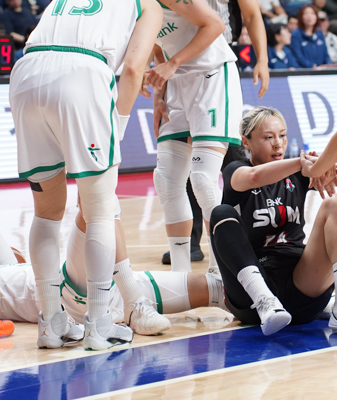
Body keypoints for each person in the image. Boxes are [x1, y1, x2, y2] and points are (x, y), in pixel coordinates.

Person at [10, 0, 162, 350]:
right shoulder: (149, 4)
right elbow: (133, 69)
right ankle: (99, 323)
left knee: (46, 213)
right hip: (81, 72)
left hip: (26, 72)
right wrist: (116, 130)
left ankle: (51, 323)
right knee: (100, 212)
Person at [209, 107, 337, 336]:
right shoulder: (235, 170)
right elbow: (255, 177)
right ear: (246, 142)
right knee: (221, 213)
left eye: (282, 135)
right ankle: (265, 301)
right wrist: (304, 163)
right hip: (252, 298)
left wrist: (320, 164)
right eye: (268, 137)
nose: (278, 144)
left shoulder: (297, 173)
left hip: (300, 286)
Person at [145, 0, 242, 274]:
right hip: (177, 84)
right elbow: (157, 47)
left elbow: (216, 25)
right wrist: (158, 95)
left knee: (202, 180)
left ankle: (220, 271)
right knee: (166, 180)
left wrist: (172, 64)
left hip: (211, 77)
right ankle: (180, 275)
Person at [0, 214, 227, 329]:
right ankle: (133, 301)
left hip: (108, 279)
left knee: (219, 290)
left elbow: (17, 257)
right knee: (95, 199)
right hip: (71, 298)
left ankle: (133, 301)